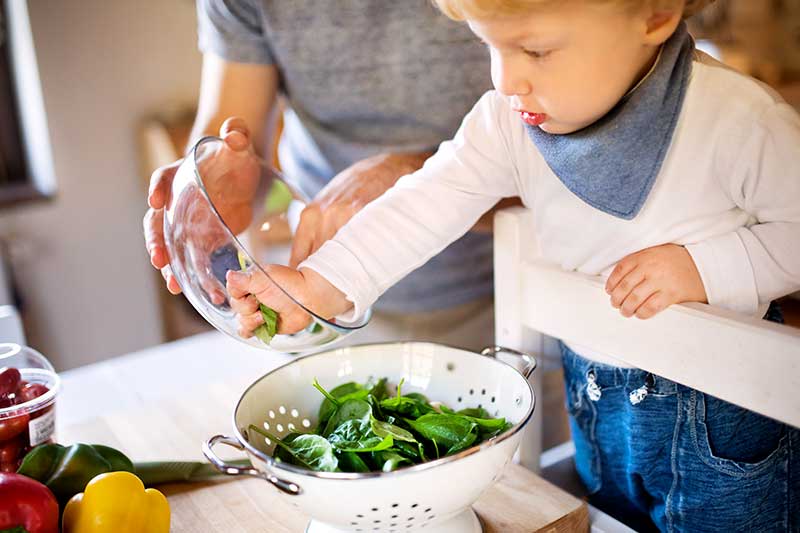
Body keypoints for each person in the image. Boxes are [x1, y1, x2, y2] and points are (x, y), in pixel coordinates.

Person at [226, 0, 800, 530]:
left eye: (536, 51)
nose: (504, 79)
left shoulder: (737, 121)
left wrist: (704, 269)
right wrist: (319, 284)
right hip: (596, 412)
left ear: (653, 13)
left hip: (722, 433)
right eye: (489, 46)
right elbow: (425, 202)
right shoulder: (510, 119)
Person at [143, 0, 508, 351]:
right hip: (325, 312)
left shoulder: (507, 104)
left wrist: (414, 176)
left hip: (508, 293)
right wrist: (210, 196)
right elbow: (229, 134)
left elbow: (539, 167)